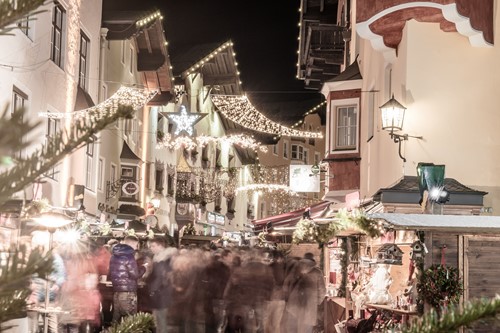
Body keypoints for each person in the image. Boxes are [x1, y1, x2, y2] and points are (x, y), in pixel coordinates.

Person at [108, 235, 146, 323]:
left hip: (117, 292)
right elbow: (135, 275)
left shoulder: (113, 256)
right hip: (128, 292)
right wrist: (144, 268)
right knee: (130, 321)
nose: (136, 248)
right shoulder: (129, 256)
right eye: (136, 245)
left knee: (116, 319)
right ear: (132, 243)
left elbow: (110, 273)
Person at [145, 236, 177, 333]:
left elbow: (160, 278)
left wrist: (151, 290)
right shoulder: (158, 258)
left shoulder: (163, 260)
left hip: (162, 296)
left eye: (153, 246)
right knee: (159, 323)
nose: (151, 248)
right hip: (162, 295)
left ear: (160, 246)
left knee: (161, 323)